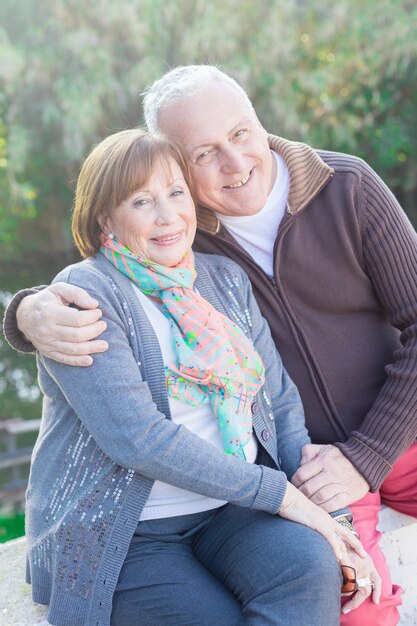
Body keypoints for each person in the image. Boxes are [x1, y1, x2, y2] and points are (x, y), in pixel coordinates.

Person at [4, 64, 415, 623]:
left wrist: (350, 479)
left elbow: (282, 396)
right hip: (231, 491)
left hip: (374, 440)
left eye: (241, 133)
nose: (234, 162)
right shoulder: (141, 264)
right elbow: (135, 424)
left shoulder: (332, 197)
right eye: (202, 155)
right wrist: (25, 310)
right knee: (348, 608)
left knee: (314, 568)